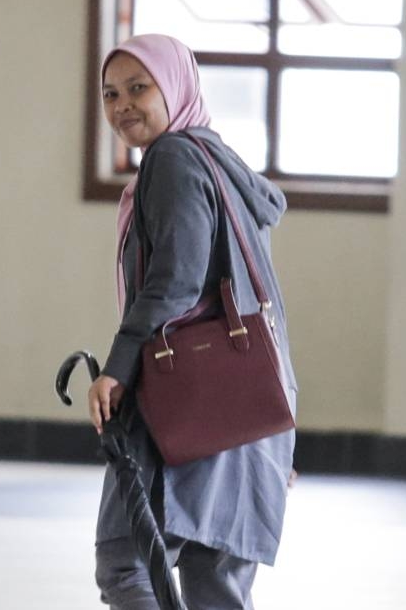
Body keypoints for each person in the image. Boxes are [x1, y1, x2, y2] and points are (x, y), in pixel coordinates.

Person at [88, 33, 298, 610]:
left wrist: (118, 368)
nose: (123, 105)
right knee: (215, 583)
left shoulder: (174, 158)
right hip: (243, 407)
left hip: (187, 399)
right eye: (110, 94)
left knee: (126, 560)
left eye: (139, 88)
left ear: (175, 87)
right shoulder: (218, 160)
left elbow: (176, 280)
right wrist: (274, 424)